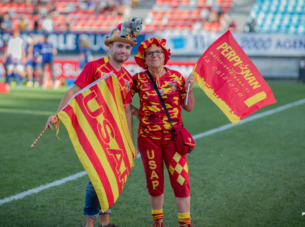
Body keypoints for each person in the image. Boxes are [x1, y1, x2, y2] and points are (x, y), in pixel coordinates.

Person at [44, 21, 139, 227]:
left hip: (115, 135)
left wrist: (129, 141)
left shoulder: (127, 78)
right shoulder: (94, 67)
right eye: (119, 45)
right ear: (110, 47)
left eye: (127, 47)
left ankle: (105, 222)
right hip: (94, 133)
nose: (123, 50)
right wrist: (57, 114)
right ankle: (90, 224)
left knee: (110, 177)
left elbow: (126, 110)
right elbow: (73, 91)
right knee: (97, 176)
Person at [131, 37, 195, 227]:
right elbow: (123, 102)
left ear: (165, 55)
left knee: (181, 181)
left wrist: (190, 88)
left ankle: (185, 223)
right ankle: (157, 222)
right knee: (154, 181)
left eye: (158, 52)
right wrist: (138, 113)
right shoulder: (138, 79)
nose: (154, 56)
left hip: (173, 140)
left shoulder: (176, 77)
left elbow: (188, 107)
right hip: (148, 139)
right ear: (144, 58)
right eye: (149, 53)